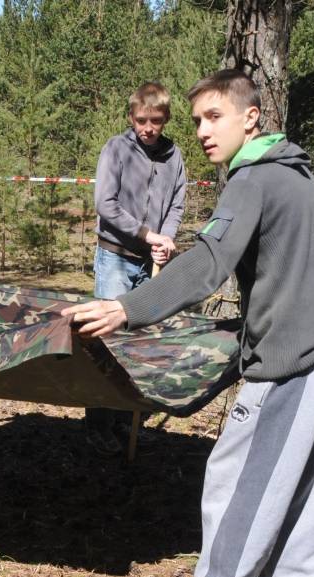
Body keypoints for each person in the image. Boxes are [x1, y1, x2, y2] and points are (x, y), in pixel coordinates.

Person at [63, 70, 314, 577]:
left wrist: (127, 308)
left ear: (250, 117)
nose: (202, 131)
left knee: (238, 477)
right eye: (198, 119)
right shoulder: (295, 171)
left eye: (214, 117)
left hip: (298, 357)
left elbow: (207, 262)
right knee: (303, 484)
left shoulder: (252, 179)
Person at [87, 81, 187, 452]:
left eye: (155, 121)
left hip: (150, 262)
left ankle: (127, 421)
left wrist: (167, 238)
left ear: (165, 120)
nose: (147, 127)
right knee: (108, 342)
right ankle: (98, 425)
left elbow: (177, 202)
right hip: (115, 256)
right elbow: (105, 205)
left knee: (141, 344)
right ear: (131, 117)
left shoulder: (173, 156)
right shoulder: (116, 149)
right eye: (141, 120)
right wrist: (149, 235)